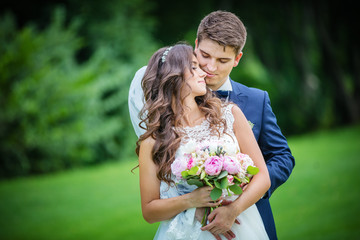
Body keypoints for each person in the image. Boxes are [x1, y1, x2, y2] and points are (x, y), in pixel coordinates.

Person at [129, 11, 295, 240]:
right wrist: (193, 198)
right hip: (186, 225)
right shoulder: (158, 130)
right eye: (203, 57)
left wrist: (235, 190)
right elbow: (158, 185)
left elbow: (280, 158)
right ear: (196, 45)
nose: (209, 68)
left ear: (237, 59)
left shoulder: (245, 106)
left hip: (245, 218)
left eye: (222, 60)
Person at [136, 43, 270, 240]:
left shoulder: (229, 115)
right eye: (194, 67)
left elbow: (263, 177)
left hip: (241, 225)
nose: (204, 73)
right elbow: (149, 211)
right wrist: (191, 200)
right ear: (174, 76)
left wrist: (232, 210)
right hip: (190, 233)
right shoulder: (154, 140)